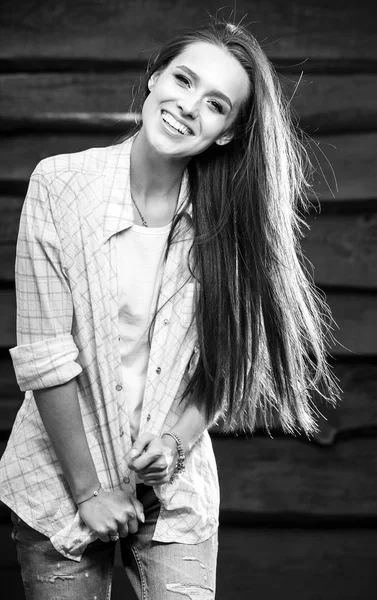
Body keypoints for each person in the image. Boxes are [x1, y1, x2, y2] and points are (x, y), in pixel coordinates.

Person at [0, 18, 339, 600]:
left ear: (227, 133)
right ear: (155, 77)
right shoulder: (59, 184)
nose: (188, 107)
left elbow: (227, 360)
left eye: (215, 105)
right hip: (59, 480)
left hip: (173, 489)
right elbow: (44, 355)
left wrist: (178, 441)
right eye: (183, 80)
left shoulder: (232, 222)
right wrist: (89, 493)